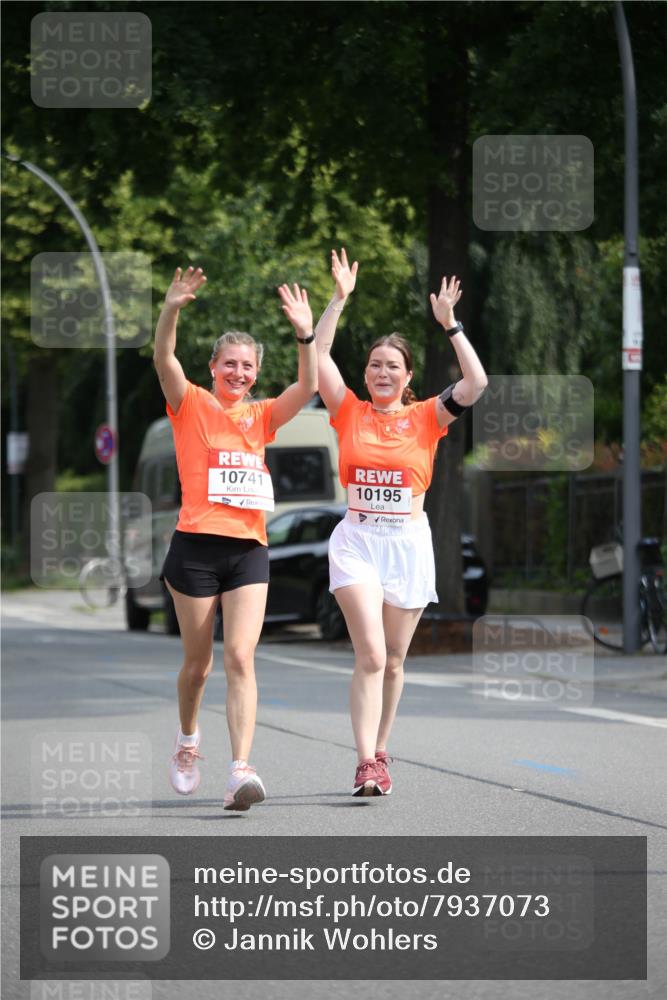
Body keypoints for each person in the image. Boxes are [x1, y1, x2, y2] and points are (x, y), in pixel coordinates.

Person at [315, 249, 487, 797]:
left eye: (392, 365)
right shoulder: (347, 410)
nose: (381, 372)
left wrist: (451, 326)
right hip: (358, 540)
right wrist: (338, 300)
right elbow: (317, 355)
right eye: (373, 365)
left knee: (393, 660)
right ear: (364, 374)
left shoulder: (426, 417)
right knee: (368, 653)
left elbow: (477, 382)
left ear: (408, 375)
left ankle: (382, 749)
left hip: (408, 542)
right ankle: (365, 761)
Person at [153, 267, 317, 810]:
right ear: (214, 367)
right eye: (230, 364)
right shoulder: (191, 403)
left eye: (248, 366)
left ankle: (239, 770)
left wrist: (304, 334)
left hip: (249, 549)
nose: (239, 373)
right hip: (195, 548)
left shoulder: (262, 416)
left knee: (241, 658)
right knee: (198, 667)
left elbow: (308, 387)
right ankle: (187, 739)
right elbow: (164, 360)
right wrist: (172, 307)